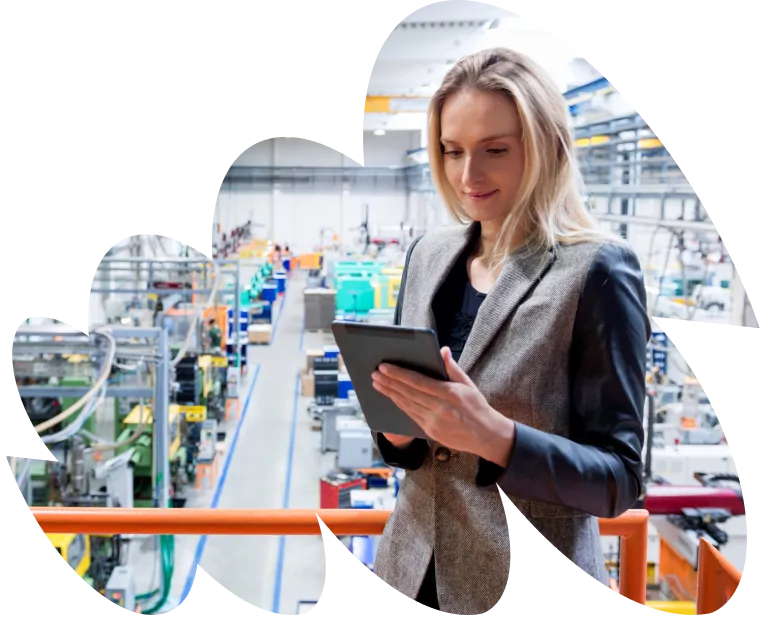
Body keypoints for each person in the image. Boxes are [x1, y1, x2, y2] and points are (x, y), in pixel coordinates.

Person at [370, 47, 651, 615]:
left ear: (546, 146)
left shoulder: (597, 270)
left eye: (495, 150)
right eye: (452, 151)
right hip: (410, 569)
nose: (468, 175)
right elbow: (424, 448)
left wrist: (495, 437)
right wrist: (398, 432)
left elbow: (618, 480)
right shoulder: (428, 254)